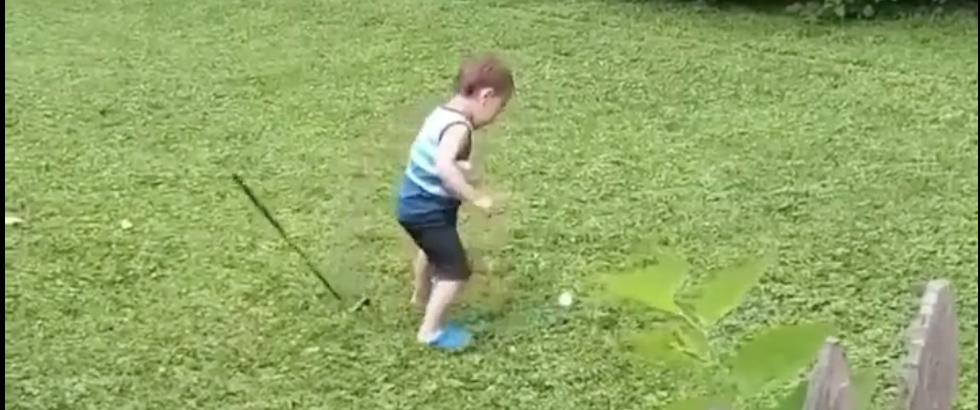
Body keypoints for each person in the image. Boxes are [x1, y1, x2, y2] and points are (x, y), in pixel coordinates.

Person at [395, 54, 514, 351]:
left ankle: (420, 298)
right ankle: (430, 331)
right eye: (499, 109)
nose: (495, 118)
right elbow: (444, 168)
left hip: (411, 202)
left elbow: (431, 155)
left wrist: (457, 166)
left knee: (430, 251)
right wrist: (475, 197)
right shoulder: (459, 127)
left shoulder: (441, 114)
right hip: (429, 210)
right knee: (455, 270)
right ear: (486, 97)